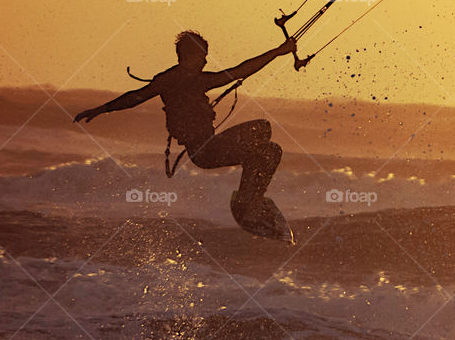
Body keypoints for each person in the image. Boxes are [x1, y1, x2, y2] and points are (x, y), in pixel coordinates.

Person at [74, 31, 296, 221]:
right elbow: (135, 98)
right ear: (192, 56)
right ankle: (249, 203)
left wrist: (99, 110)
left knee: (262, 128)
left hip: (211, 145)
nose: (206, 62)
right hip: (205, 152)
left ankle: (249, 198)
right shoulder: (186, 80)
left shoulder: (174, 78)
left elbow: (135, 96)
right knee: (270, 151)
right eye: (203, 56)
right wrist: (277, 52)